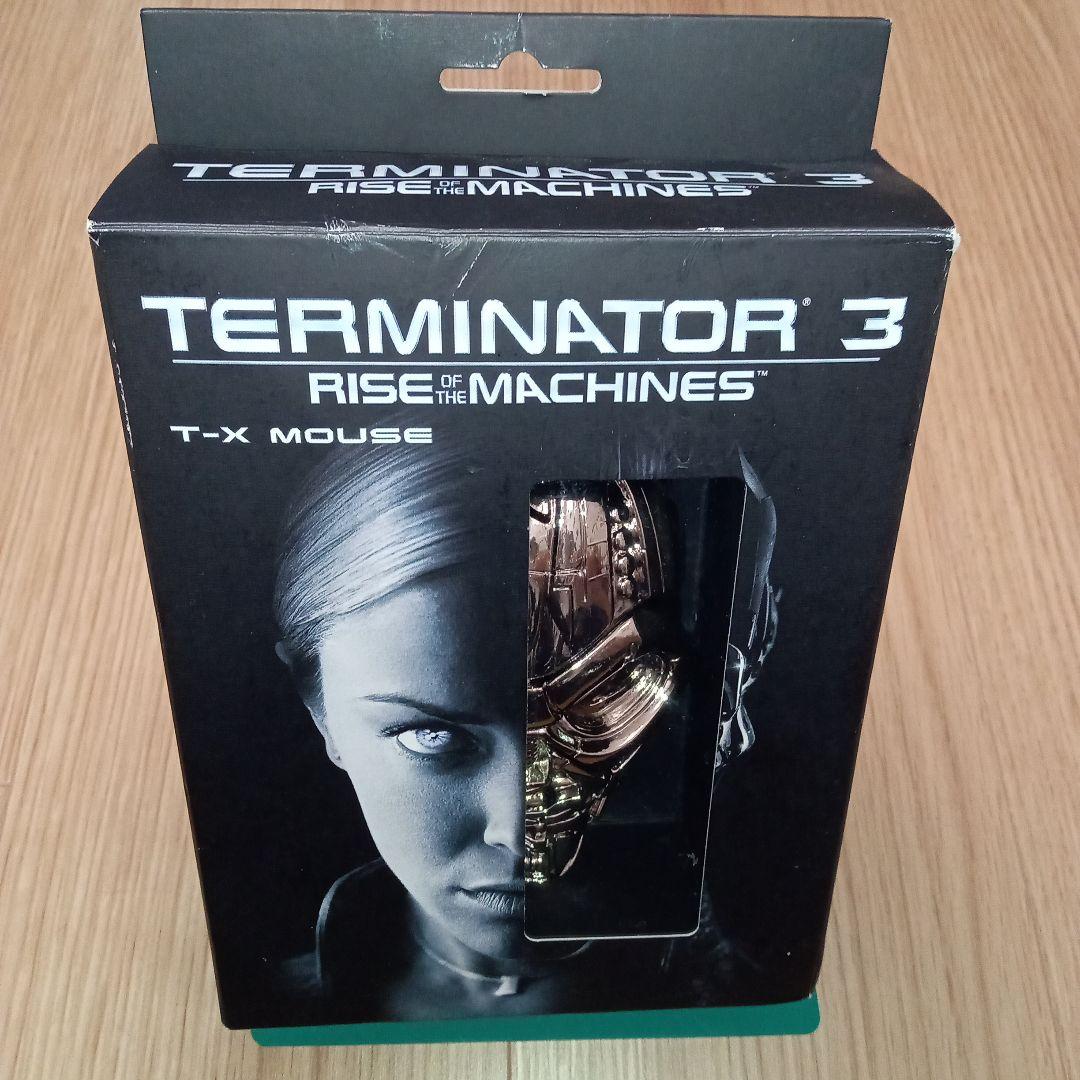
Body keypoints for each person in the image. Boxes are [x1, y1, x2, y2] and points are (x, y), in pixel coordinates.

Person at [272, 437, 774, 1022]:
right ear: (319, 709)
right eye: (431, 736)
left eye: (601, 706)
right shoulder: (272, 1003)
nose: (520, 831)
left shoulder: (758, 1003)